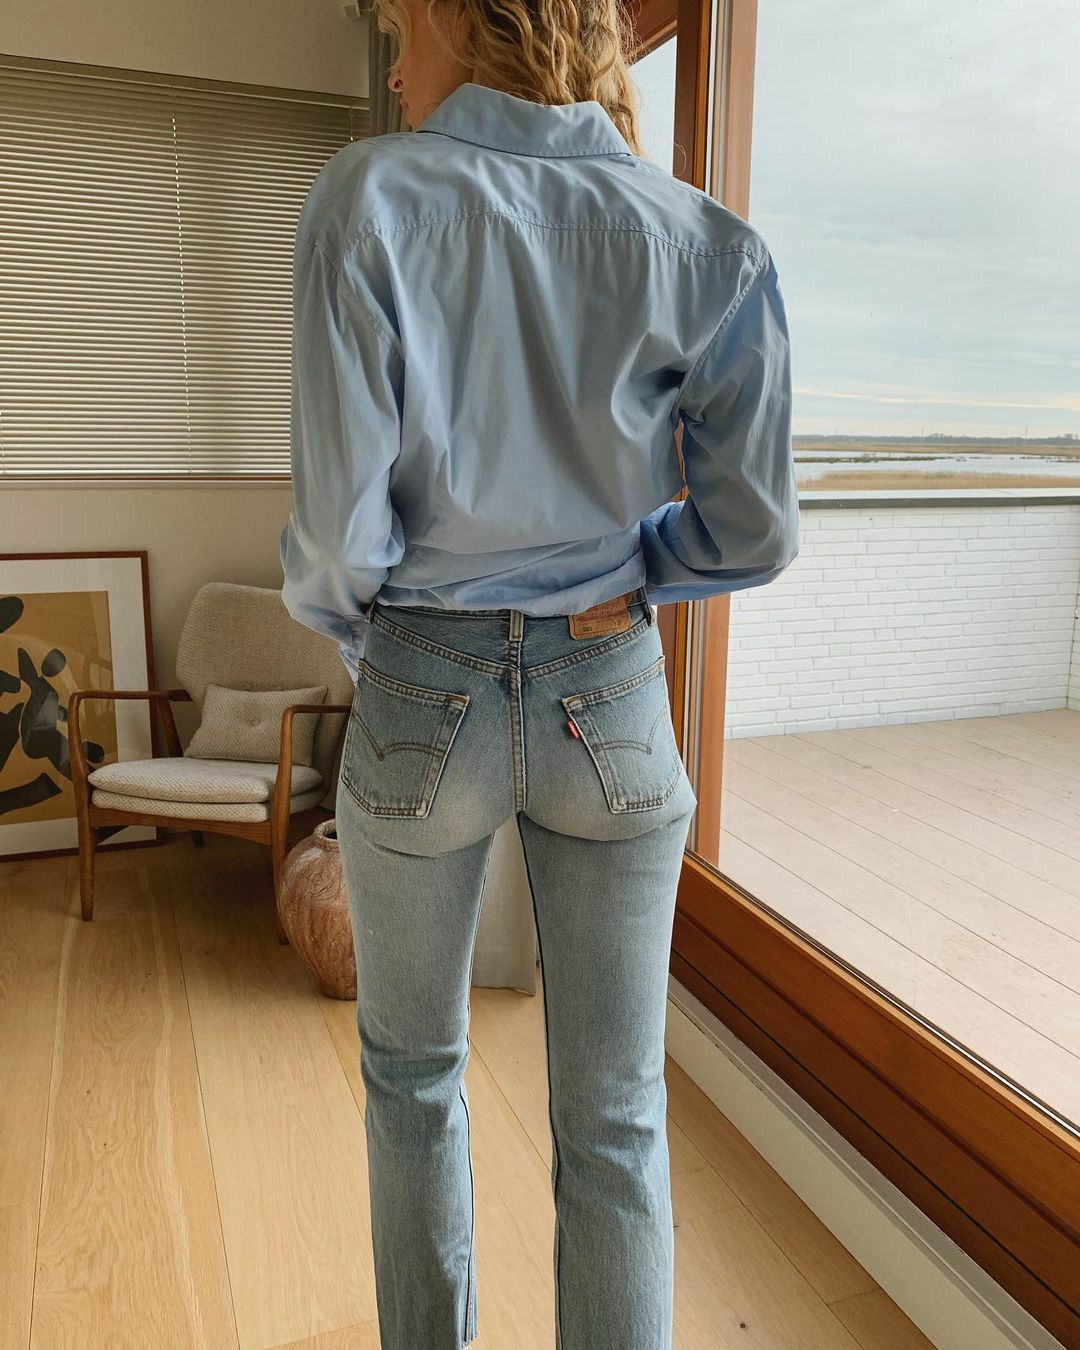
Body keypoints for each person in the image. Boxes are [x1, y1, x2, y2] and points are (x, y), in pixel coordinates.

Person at [278, 0, 800, 1341]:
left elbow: (337, 540)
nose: (396, 64)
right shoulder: (705, 243)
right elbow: (753, 528)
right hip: (609, 691)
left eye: (400, 28)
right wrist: (640, 569)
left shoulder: (370, 198)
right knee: (618, 1115)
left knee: (412, 1082)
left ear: (465, 12)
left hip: (421, 682)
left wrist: (378, 642)